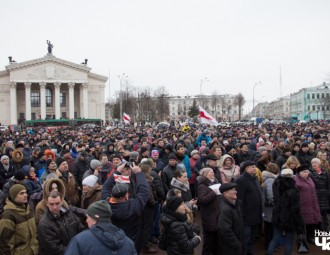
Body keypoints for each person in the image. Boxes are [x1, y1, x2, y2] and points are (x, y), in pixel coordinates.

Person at [65, 200, 137, 255]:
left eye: (88, 217)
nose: (86, 221)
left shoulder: (79, 241)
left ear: (95, 219)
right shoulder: (129, 243)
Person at [109, 163, 149, 254]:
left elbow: (105, 188)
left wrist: (117, 171)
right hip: (132, 242)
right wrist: (139, 173)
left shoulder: (106, 204)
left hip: (115, 243)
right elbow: (144, 191)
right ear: (126, 196)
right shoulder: (135, 205)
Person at [266, 169, 304, 255]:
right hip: (290, 219)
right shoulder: (294, 190)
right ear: (292, 176)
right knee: (289, 241)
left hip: (277, 216)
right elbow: (296, 209)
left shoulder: (275, 185)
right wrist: (299, 223)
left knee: (275, 239)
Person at [38, 190, 84, 255]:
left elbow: (81, 230)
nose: (55, 207)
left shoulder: (69, 214)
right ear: (47, 203)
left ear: (62, 201)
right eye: (51, 204)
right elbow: (55, 249)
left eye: (57, 203)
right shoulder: (44, 224)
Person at [0, 184, 39, 255]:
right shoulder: (8, 216)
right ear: (14, 196)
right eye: (21, 193)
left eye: (25, 192)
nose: (25, 195)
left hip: (34, 251)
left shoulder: (29, 209)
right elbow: (5, 243)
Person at [235, 160, 263, 255]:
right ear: (246, 169)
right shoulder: (241, 180)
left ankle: (249, 252)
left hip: (256, 214)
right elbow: (239, 199)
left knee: (252, 238)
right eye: (252, 167)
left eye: (255, 166)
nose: (255, 168)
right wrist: (241, 215)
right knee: (246, 238)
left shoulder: (255, 178)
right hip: (246, 216)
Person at [294, 164, 321, 243]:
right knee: (301, 223)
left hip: (311, 204)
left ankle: (310, 237)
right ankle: (301, 238)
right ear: (299, 173)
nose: (306, 173)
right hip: (301, 205)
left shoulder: (310, 179)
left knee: (311, 222)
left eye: (307, 172)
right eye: (304, 172)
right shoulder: (296, 180)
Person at [197, 167, 221, 255]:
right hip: (209, 216)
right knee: (208, 241)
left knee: (216, 240)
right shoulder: (202, 186)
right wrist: (214, 192)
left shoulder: (215, 182)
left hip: (216, 213)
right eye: (210, 172)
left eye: (213, 171)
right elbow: (203, 200)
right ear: (205, 175)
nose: (213, 173)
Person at [217, 183, 245, 255]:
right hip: (231, 248)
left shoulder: (235, 205)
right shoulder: (225, 209)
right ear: (225, 194)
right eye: (233, 190)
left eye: (235, 189)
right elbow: (225, 231)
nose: (236, 192)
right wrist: (237, 244)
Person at [261, 163, 279, 249]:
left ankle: (269, 244)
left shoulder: (267, 179)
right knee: (270, 228)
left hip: (268, 208)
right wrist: (275, 202)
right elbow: (271, 194)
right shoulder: (271, 180)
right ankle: (269, 245)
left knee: (269, 227)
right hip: (271, 208)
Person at [309, 157, 329, 231]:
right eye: (312, 163)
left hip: (324, 195)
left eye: (315, 163)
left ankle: (325, 228)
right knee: (317, 212)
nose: (314, 164)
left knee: (324, 213)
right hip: (315, 195)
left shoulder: (324, 172)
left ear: (319, 164)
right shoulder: (310, 172)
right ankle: (318, 227)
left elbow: (328, 183)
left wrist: (328, 193)